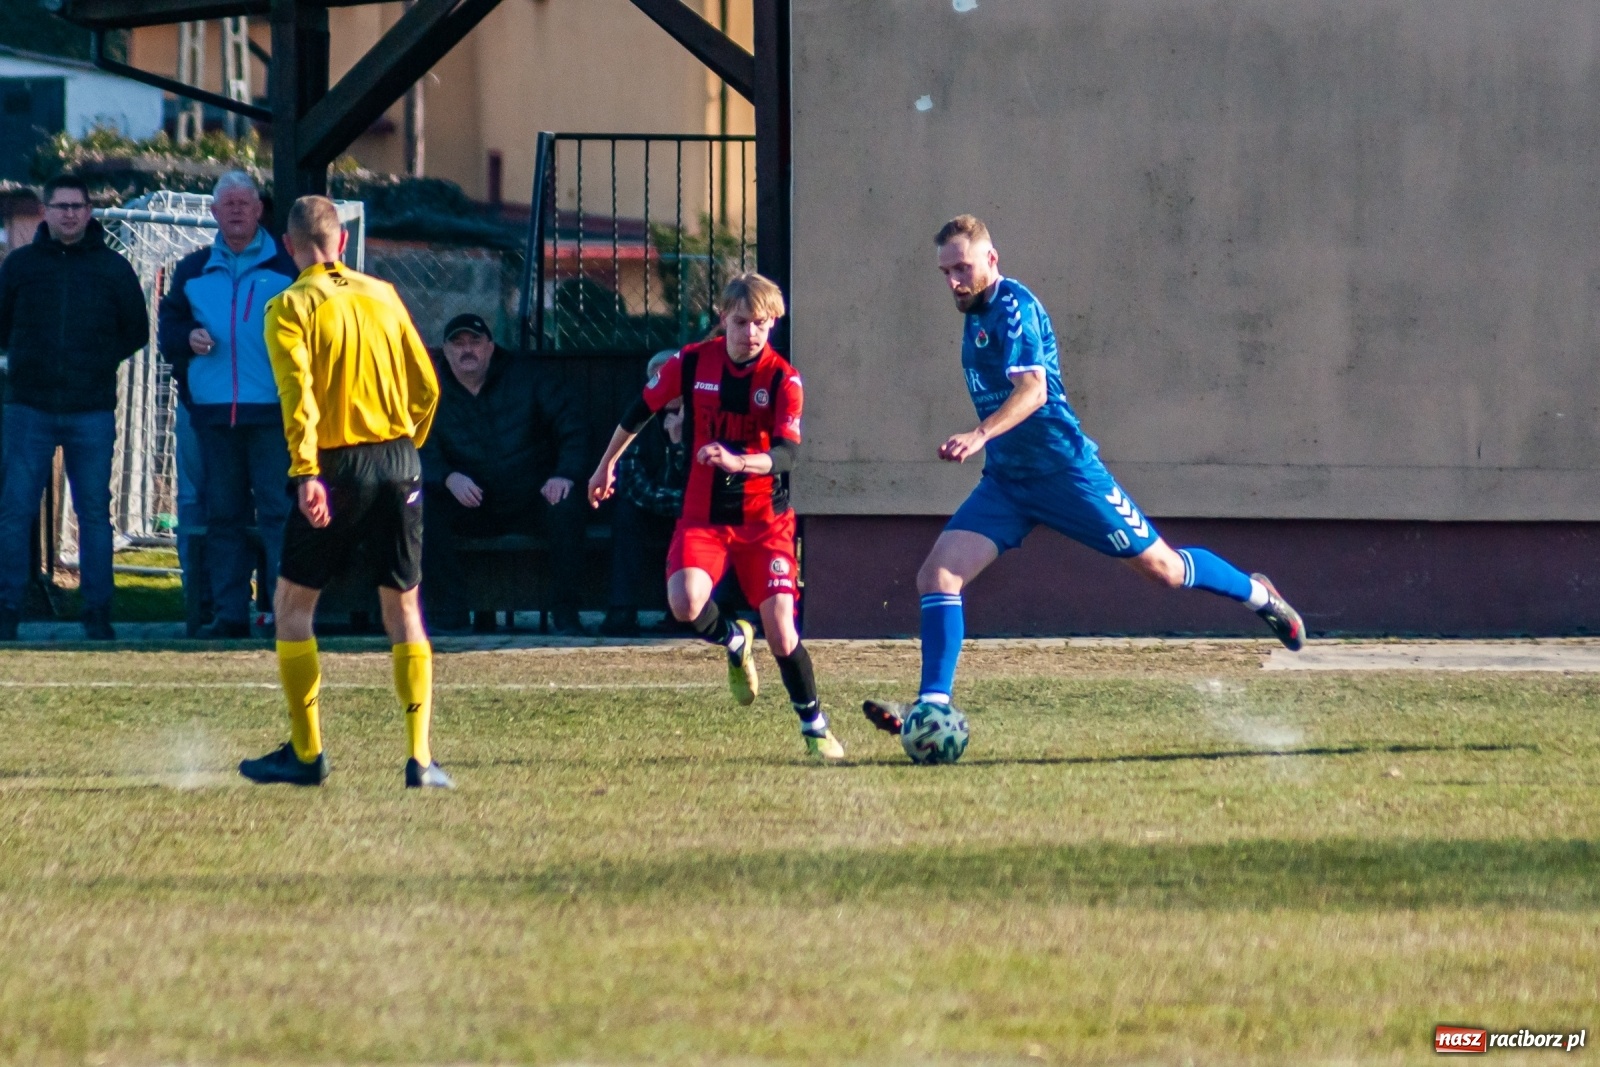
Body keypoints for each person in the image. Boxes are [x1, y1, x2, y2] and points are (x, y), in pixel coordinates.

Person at [863, 215, 1306, 734]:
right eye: (945, 272)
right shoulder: (974, 314)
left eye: (963, 267)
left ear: (992, 258)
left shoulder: (1015, 307)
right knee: (937, 576)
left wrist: (979, 435)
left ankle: (1260, 595)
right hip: (1008, 482)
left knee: (1164, 570)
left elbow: (1034, 391)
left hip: (1066, 472)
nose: (954, 281)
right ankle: (933, 706)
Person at [238, 195, 451, 789]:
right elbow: (427, 387)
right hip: (400, 459)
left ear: (288, 246)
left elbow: (297, 397)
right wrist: (406, 449)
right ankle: (421, 759)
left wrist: (307, 472)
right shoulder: (383, 294)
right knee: (404, 606)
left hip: (334, 466)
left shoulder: (289, 305)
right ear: (344, 243)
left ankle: (307, 755)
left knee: (292, 607)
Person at [589, 273, 845, 762]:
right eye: (743, 321)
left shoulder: (782, 379)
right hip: (704, 518)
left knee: (782, 632)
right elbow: (639, 410)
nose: (752, 333)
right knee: (684, 603)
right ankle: (733, 639)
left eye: (763, 324)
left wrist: (740, 463)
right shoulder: (691, 362)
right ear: (724, 318)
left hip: (765, 522)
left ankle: (815, 728)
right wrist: (606, 466)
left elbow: (789, 454)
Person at [0, 174, 148, 641]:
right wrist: (27, 363)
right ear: (45, 211)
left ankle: (98, 613)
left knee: (94, 514)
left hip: (91, 408)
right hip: (29, 407)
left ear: (89, 212)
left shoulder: (113, 269)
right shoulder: (20, 266)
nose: (69, 214)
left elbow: (136, 331)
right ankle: (8, 609)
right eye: (60, 206)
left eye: (77, 206)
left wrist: (98, 361)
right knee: (15, 509)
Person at [158, 171, 298, 638]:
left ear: (260, 210)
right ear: (214, 213)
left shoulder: (286, 268)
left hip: (273, 413)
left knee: (279, 513)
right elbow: (167, 330)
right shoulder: (192, 270)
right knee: (223, 516)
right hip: (214, 415)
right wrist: (186, 339)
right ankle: (230, 614)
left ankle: (284, 613)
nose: (236, 210)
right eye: (228, 204)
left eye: (245, 202)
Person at [420, 313, 588, 634]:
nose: (467, 350)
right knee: (419, 508)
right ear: (445, 350)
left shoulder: (528, 378)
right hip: (469, 504)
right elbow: (412, 443)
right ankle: (448, 615)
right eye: (458, 343)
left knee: (566, 506)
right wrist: (446, 476)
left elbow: (573, 424)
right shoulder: (427, 391)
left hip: (530, 498)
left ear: (491, 347)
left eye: (475, 342)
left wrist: (564, 474)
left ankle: (566, 614)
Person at [600, 350, 688, 637]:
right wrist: (672, 502)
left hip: (687, 513)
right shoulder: (638, 421)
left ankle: (682, 615)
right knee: (625, 512)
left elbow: (699, 482)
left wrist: (677, 443)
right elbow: (632, 484)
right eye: (659, 379)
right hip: (654, 508)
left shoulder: (704, 419)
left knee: (696, 518)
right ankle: (621, 612)